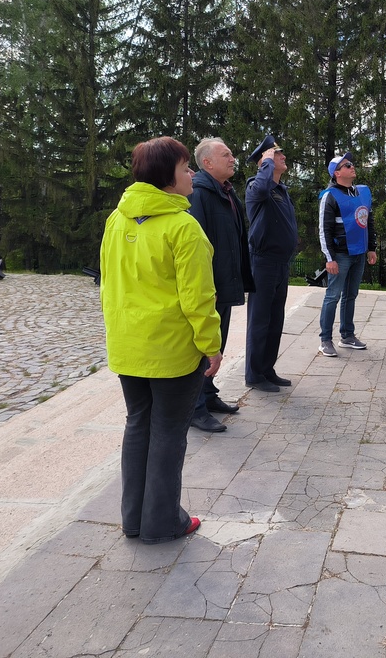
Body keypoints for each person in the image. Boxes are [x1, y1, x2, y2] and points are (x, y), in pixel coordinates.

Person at [100, 136, 221, 543]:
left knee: (139, 425)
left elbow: (107, 285)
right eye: (186, 167)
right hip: (171, 350)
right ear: (167, 177)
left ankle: (134, 519)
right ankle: (162, 521)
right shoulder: (183, 227)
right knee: (168, 431)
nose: (191, 174)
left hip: (127, 345)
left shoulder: (116, 220)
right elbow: (199, 298)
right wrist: (211, 345)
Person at [186, 137, 255, 432]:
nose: (233, 158)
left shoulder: (226, 192)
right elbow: (197, 247)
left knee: (219, 340)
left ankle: (209, 393)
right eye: (225, 154)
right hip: (209, 285)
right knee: (203, 346)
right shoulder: (199, 195)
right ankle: (194, 408)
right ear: (207, 163)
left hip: (225, 283)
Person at [244, 135, 298, 393]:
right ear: (264, 162)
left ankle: (267, 369)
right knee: (260, 320)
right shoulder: (257, 187)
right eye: (277, 154)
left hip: (280, 263)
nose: (283, 157)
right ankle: (254, 375)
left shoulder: (281, 190)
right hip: (263, 262)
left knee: (276, 320)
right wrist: (266, 163)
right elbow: (263, 189)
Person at [317, 151, 378, 357]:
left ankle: (347, 336)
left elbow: (368, 221)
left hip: (359, 253)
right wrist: (329, 258)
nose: (352, 167)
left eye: (351, 164)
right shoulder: (330, 196)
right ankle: (325, 339)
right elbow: (324, 230)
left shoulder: (362, 193)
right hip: (340, 255)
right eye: (347, 165)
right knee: (333, 296)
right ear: (336, 173)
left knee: (351, 295)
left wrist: (371, 247)